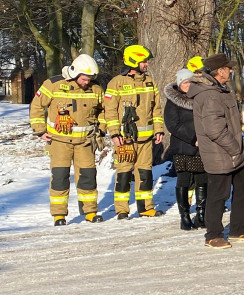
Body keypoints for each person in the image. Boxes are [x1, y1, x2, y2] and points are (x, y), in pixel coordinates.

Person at [190, 53, 244, 248]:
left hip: (234, 152)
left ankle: (239, 229)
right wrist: (233, 148)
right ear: (220, 71)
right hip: (220, 153)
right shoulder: (209, 95)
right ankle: (212, 235)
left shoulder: (221, 90)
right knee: (218, 194)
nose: (231, 71)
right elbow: (214, 129)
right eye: (228, 68)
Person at [29, 54, 104, 225]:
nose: (87, 82)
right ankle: (59, 215)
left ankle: (90, 212)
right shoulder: (53, 84)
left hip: (85, 143)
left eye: (90, 79)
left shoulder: (96, 88)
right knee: (60, 177)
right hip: (59, 143)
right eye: (85, 79)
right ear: (75, 74)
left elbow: (104, 110)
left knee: (88, 177)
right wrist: (40, 131)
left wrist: (102, 129)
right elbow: (36, 106)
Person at [103, 45, 165, 219]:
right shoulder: (116, 83)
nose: (146, 64)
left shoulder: (150, 82)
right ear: (133, 61)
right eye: (144, 61)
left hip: (146, 139)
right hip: (125, 140)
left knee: (145, 174)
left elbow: (157, 109)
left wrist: (159, 129)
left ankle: (146, 208)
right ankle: (122, 209)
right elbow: (110, 111)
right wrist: (115, 134)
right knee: (123, 174)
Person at [164, 68, 208, 231]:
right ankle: (184, 216)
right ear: (180, 83)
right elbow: (172, 125)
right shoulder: (173, 100)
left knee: (202, 179)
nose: (188, 85)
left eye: (190, 82)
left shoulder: (201, 97)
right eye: (185, 82)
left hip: (202, 145)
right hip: (183, 145)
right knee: (184, 180)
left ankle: (202, 214)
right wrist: (192, 138)